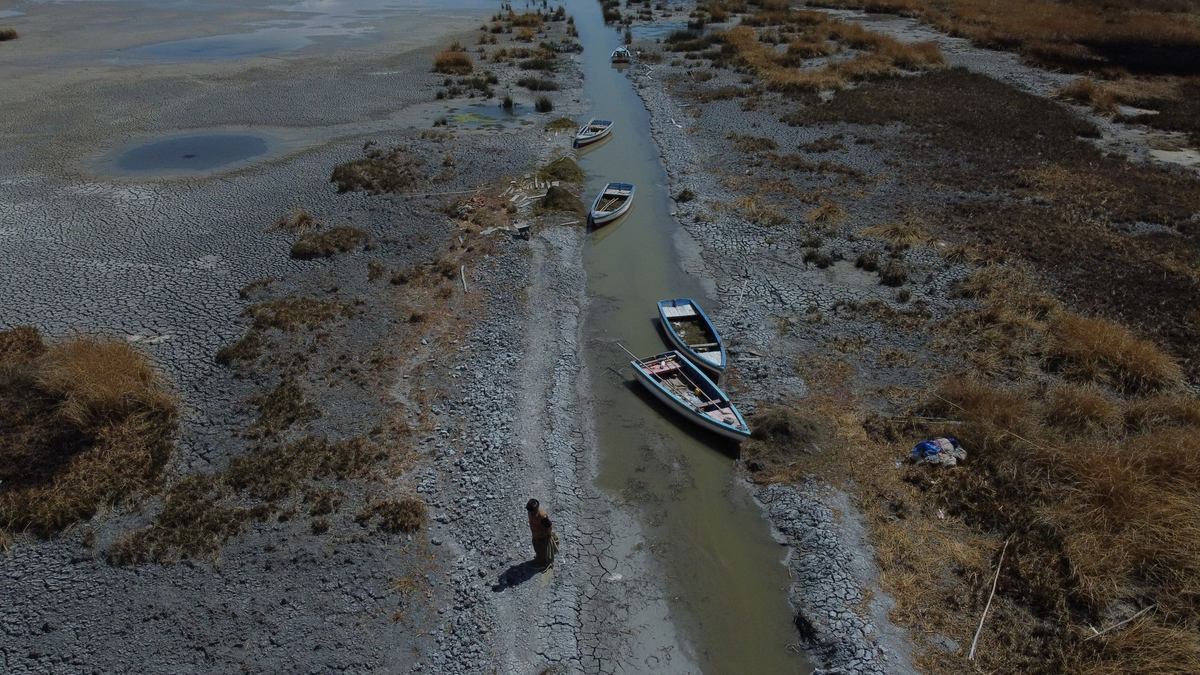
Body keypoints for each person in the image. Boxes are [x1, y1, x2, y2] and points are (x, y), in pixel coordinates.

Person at [526, 498, 558, 570]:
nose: (530, 513)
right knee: (536, 546)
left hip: (543, 536)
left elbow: (549, 525)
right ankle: (539, 558)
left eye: (532, 511)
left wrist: (548, 534)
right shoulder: (531, 511)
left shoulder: (542, 516)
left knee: (541, 550)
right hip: (536, 534)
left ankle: (542, 564)